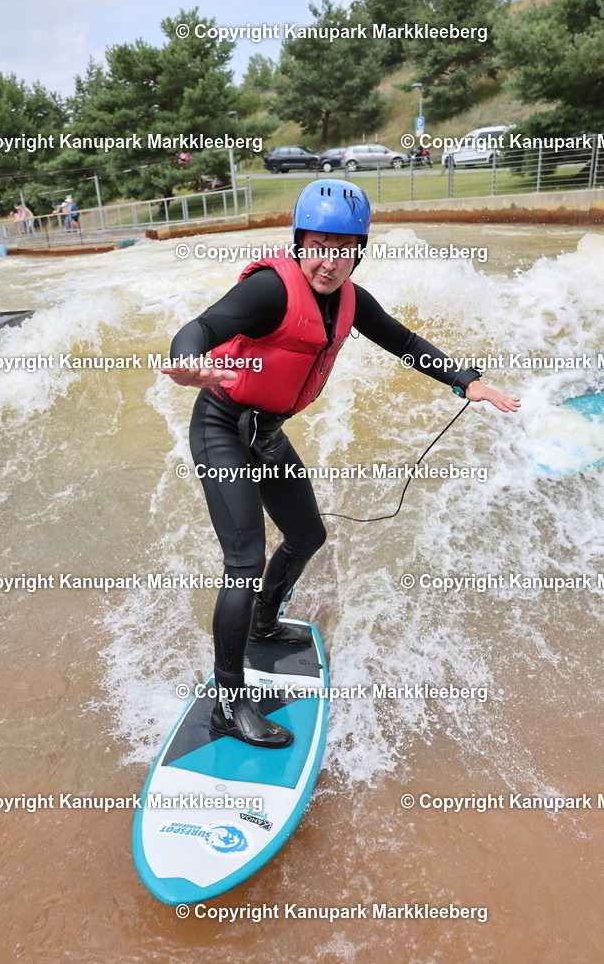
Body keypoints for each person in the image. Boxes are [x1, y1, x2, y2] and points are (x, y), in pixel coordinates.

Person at [162, 180, 520, 750]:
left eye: (344, 248)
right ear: (300, 242)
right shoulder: (268, 292)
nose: (329, 261)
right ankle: (229, 706)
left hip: (266, 435)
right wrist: (187, 362)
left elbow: (401, 340)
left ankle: (262, 623)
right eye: (318, 245)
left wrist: (464, 380)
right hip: (223, 427)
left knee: (307, 534)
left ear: (360, 250)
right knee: (244, 560)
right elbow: (205, 326)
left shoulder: (351, 298)